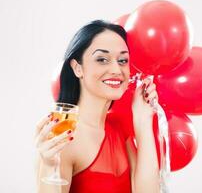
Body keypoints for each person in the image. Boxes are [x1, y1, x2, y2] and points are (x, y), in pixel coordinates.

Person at [35, 20, 160, 193]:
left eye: (123, 60)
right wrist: (49, 166)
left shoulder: (118, 129)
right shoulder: (63, 136)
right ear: (77, 68)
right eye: (102, 59)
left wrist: (143, 120)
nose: (116, 69)